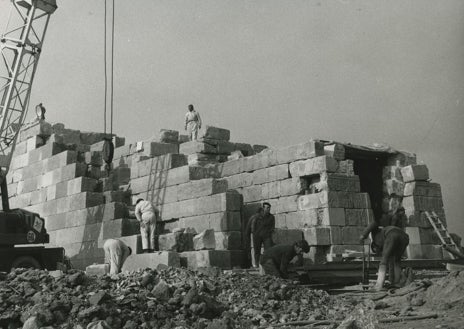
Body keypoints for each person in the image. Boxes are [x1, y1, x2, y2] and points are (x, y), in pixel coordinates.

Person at [359, 222, 409, 291]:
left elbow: (373, 224)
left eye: (376, 250)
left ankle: (379, 285)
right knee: (396, 261)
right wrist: (391, 281)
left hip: (392, 234)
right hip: (404, 237)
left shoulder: (376, 235)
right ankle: (396, 283)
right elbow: (391, 264)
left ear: (375, 246)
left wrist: (363, 236)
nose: (379, 252)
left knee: (383, 260)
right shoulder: (384, 238)